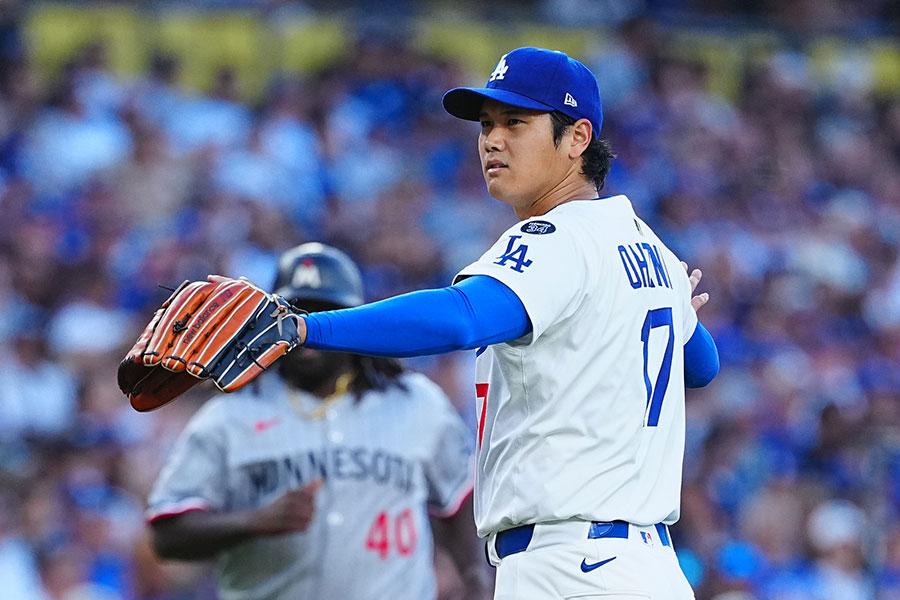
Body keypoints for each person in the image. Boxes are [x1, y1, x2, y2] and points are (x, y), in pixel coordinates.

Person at [281, 47, 720, 599]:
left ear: (578, 138)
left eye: (517, 122)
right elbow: (702, 366)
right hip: (647, 570)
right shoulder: (646, 244)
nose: (492, 139)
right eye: (487, 124)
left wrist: (304, 328)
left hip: (570, 568)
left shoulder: (559, 238)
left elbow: (464, 317)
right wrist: (674, 309)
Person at [146, 243, 492, 599]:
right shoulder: (229, 415)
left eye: (324, 311)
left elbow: (458, 501)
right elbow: (167, 534)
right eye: (294, 313)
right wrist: (252, 521)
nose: (305, 328)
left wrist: (476, 579)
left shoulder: (417, 402)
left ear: (355, 319)